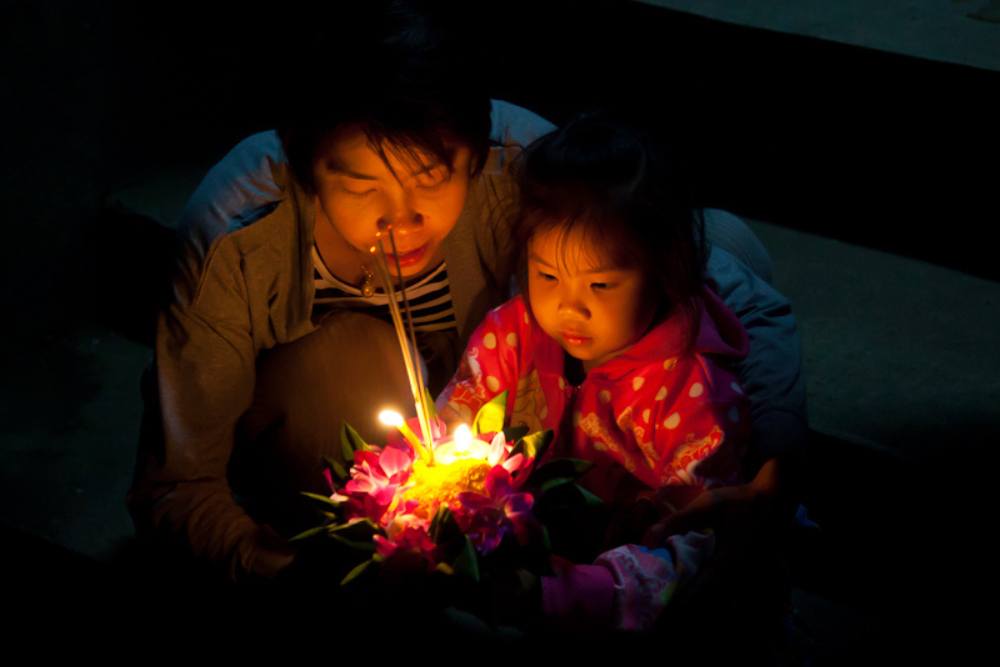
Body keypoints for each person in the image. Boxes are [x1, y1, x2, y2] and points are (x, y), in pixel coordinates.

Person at [126, 0, 806, 587]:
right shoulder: (237, 236)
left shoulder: (517, 165)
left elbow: (738, 296)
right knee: (343, 356)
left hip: (497, 432)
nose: (404, 218)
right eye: (364, 188)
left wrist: (773, 468)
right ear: (308, 169)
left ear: (475, 157)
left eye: (431, 178)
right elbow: (175, 485)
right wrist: (289, 570)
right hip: (339, 448)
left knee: (725, 240)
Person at [436, 112, 771, 632]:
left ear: (663, 269)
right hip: (519, 555)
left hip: (623, 603)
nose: (570, 309)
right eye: (547, 274)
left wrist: (563, 596)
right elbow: (452, 421)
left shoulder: (690, 389)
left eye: (600, 286)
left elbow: (695, 544)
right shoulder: (515, 333)